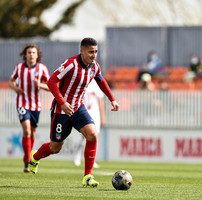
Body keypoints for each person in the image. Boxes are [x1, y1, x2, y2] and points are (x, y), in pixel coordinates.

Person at [29, 38, 119, 187]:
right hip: (61, 111)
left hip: (78, 108)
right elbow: (51, 82)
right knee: (55, 148)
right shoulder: (70, 64)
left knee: (92, 134)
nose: (94, 55)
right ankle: (35, 157)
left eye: (96, 51)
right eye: (91, 52)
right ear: (82, 51)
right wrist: (62, 103)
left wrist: (112, 99)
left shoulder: (94, 67)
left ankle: (87, 177)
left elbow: (101, 81)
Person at [8, 44, 50, 173]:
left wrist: (40, 85)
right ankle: (27, 161)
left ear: (37, 55)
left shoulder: (42, 68)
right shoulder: (19, 68)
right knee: (26, 130)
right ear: (25, 55)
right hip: (22, 103)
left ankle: (28, 158)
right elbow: (11, 81)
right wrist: (15, 88)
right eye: (29, 52)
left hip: (36, 105)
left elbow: (50, 86)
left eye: (33, 52)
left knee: (32, 133)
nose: (31, 55)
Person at [73, 79, 105, 168]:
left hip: (96, 114)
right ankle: (77, 154)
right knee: (84, 136)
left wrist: (103, 116)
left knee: (95, 136)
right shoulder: (82, 81)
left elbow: (100, 101)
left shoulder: (96, 83)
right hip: (85, 112)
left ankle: (92, 160)